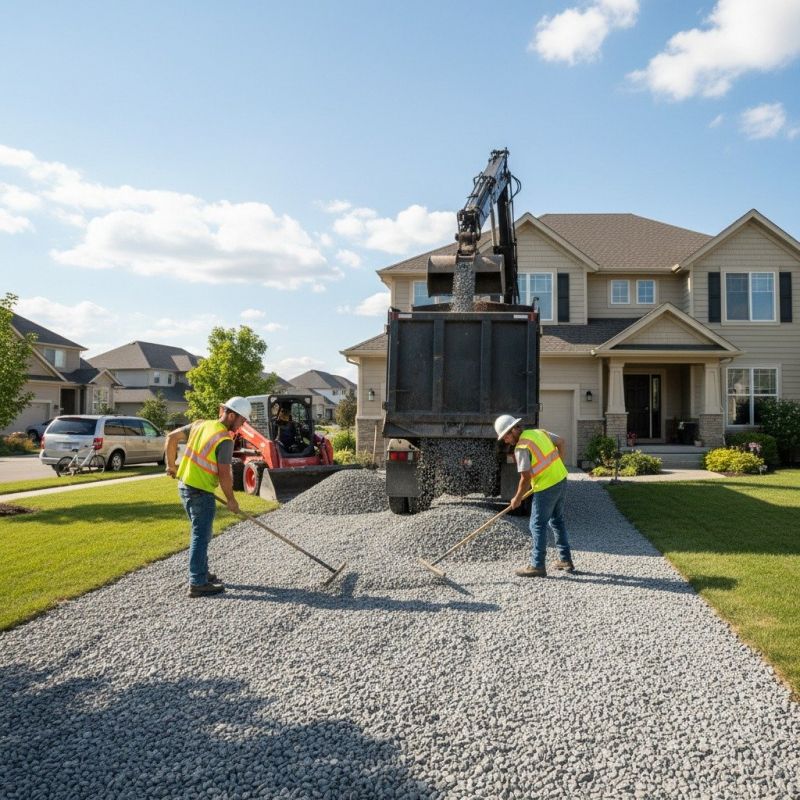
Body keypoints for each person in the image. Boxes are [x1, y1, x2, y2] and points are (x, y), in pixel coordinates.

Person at [165, 396, 251, 597]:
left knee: (201, 533)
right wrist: (231, 499)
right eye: (242, 420)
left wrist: (171, 465)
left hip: (185, 487)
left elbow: (171, 437)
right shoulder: (225, 439)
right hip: (200, 492)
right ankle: (197, 582)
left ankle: (202, 572)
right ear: (230, 415)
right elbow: (224, 474)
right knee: (201, 536)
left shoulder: (200, 424)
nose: (243, 425)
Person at [495, 414, 575, 578]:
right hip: (560, 478)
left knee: (537, 524)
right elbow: (561, 442)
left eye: (506, 436)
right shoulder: (538, 432)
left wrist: (517, 498)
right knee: (557, 520)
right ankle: (565, 559)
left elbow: (525, 478)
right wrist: (558, 464)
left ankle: (537, 565)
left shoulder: (522, 448)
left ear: (513, 430)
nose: (505, 440)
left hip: (546, 486)